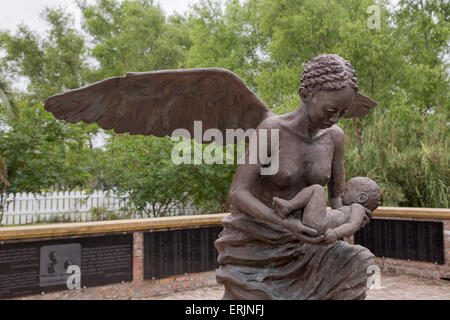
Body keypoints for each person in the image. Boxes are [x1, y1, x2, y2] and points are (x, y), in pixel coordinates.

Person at [215, 54, 376, 300]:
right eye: (330, 110)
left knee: (359, 261)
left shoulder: (335, 137)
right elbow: (238, 193)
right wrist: (284, 223)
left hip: (309, 242)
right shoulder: (272, 130)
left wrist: (351, 217)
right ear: (304, 94)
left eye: (343, 112)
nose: (334, 119)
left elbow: (336, 198)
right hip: (260, 241)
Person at [272, 177, 381, 243]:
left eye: (346, 190)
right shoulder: (348, 208)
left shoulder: (358, 208)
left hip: (320, 224)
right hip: (319, 223)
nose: (342, 194)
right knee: (316, 191)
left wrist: (336, 233)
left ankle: (289, 206)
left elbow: (352, 225)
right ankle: (289, 207)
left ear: (361, 198)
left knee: (317, 189)